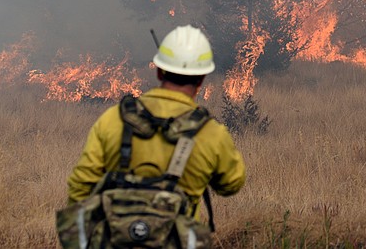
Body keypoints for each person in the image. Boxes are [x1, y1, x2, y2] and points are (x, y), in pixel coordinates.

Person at [65, 25, 246, 225]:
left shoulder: (114, 119)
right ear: (201, 78)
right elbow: (231, 184)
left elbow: (80, 185)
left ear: (160, 71)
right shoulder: (211, 133)